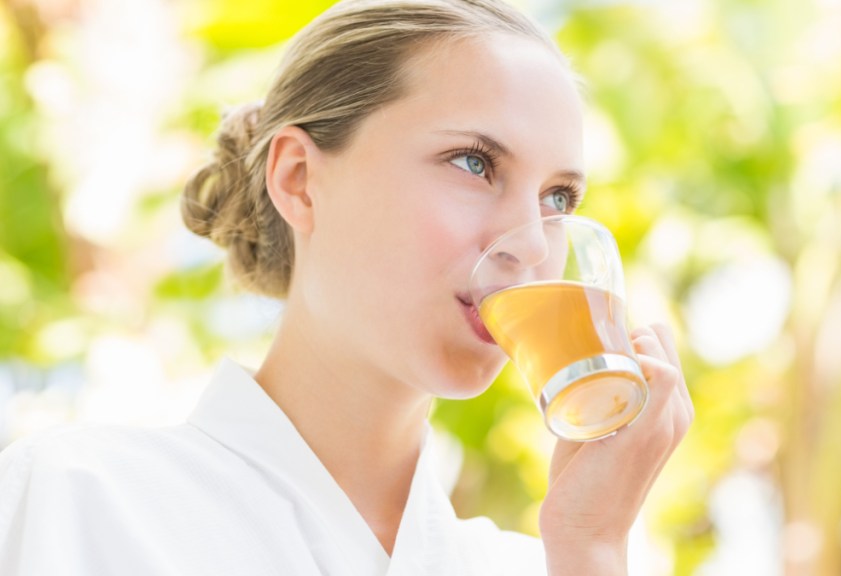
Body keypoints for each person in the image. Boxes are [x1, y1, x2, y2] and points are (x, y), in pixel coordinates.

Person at [0, 0, 694, 574]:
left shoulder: (537, 562)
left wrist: (592, 547)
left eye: (558, 199)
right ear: (299, 179)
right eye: (474, 163)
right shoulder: (79, 499)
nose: (532, 243)